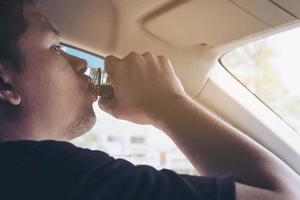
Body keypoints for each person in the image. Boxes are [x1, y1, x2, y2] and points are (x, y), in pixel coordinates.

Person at [0, 1, 299, 199]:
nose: (78, 64)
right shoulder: (48, 173)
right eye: (54, 47)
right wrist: (166, 103)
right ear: (4, 82)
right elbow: (285, 194)